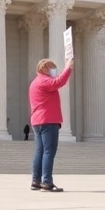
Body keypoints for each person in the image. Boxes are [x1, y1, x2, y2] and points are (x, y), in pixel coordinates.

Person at [28, 57, 75, 192]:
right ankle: (47, 182)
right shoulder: (44, 81)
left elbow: (54, 82)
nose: (54, 71)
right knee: (49, 151)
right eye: (52, 68)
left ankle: (36, 181)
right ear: (44, 68)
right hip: (48, 120)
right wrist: (68, 68)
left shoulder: (35, 82)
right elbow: (58, 82)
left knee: (40, 151)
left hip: (37, 121)